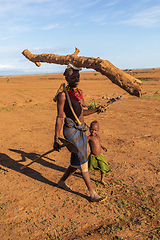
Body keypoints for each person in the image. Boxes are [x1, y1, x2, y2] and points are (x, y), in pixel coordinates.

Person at [53, 63, 104, 202]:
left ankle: (62, 181)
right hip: (70, 131)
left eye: (78, 76)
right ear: (66, 78)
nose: (76, 78)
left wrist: (97, 109)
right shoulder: (63, 95)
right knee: (82, 159)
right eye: (72, 76)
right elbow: (59, 117)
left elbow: (82, 114)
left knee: (76, 161)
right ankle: (92, 193)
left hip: (81, 129)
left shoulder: (79, 93)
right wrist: (56, 138)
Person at [88, 120, 111, 185]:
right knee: (89, 168)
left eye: (95, 130)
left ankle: (102, 180)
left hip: (100, 155)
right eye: (92, 129)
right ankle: (86, 177)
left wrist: (103, 147)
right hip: (92, 156)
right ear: (89, 129)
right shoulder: (89, 138)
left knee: (103, 167)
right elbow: (84, 144)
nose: (93, 131)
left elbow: (99, 143)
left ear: (98, 130)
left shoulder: (98, 136)